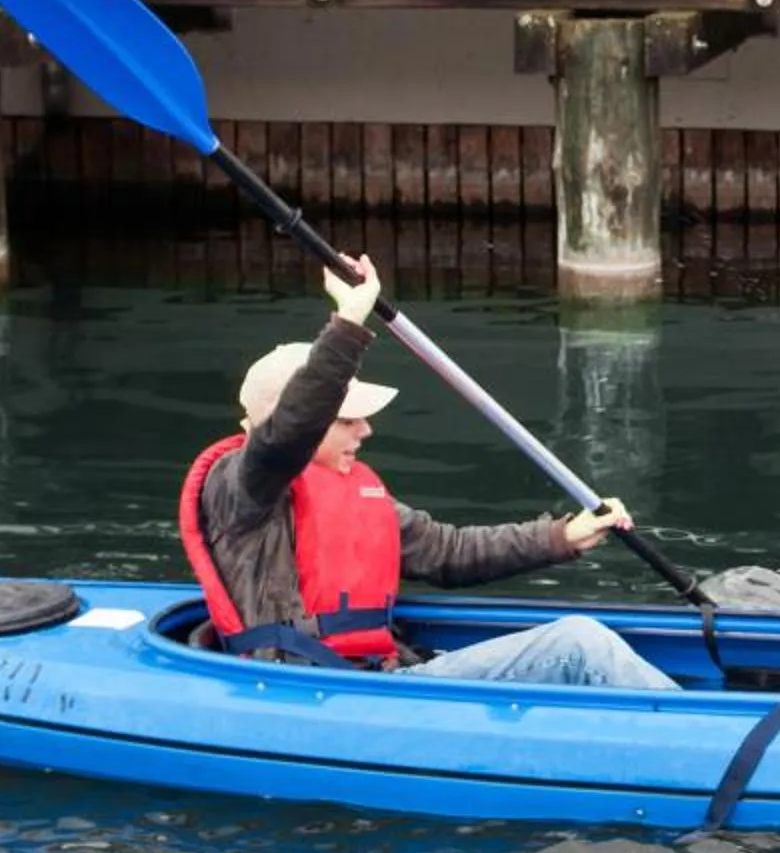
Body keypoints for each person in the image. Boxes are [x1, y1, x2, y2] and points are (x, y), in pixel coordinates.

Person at [178, 254, 677, 689]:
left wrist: (563, 536)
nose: (366, 431)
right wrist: (349, 318)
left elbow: (449, 552)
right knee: (580, 642)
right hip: (314, 689)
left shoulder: (355, 492)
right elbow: (290, 430)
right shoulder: (241, 486)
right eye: (348, 420)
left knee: (586, 639)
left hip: (379, 678)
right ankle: (710, 742)